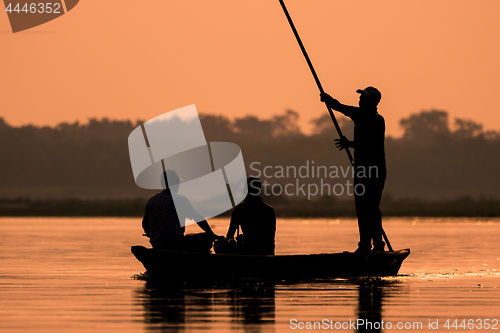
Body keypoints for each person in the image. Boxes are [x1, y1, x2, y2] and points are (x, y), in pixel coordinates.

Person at [320, 87, 387, 253]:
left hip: (375, 171)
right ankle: (365, 244)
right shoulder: (359, 114)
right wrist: (327, 99)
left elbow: (371, 144)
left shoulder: (376, 120)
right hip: (361, 170)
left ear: (372, 102)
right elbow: (340, 107)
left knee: (371, 208)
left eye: (363, 98)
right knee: (362, 208)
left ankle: (378, 245)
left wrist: (349, 144)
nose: (360, 100)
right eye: (360, 98)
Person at [142, 169, 222, 252]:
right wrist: (212, 234)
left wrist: (152, 234)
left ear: (162, 184)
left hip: (156, 244)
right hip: (176, 244)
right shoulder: (180, 200)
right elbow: (198, 218)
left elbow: (145, 224)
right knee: (207, 237)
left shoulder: (151, 200)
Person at [225, 177, 276, 255]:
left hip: (263, 251)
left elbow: (269, 239)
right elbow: (230, 235)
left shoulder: (268, 211)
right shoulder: (239, 210)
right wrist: (232, 241)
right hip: (245, 250)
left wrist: (247, 239)